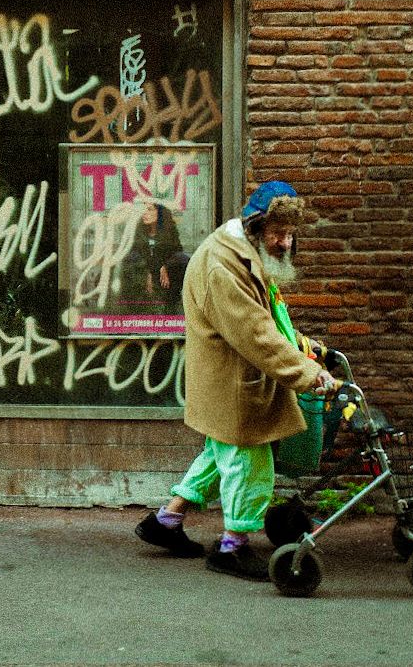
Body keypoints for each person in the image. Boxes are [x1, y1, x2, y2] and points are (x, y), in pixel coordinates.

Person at [134, 180, 336, 579]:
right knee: (250, 462)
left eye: (290, 234)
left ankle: (167, 521)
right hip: (236, 384)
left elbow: (269, 319)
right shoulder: (223, 265)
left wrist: (305, 345)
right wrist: (309, 374)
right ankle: (232, 546)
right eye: (278, 234)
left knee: (218, 456)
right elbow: (255, 334)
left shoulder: (245, 255)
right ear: (255, 227)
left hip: (232, 381)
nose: (284, 242)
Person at [119, 201, 184, 309]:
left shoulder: (170, 231)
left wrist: (166, 266)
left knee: (182, 260)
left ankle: (169, 308)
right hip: (142, 278)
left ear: (160, 213)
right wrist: (146, 273)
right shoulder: (139, 232)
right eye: (143, 209)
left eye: (149, 209)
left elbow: (177, 254)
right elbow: (133, 256)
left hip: (164, 279)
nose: (144, 213)